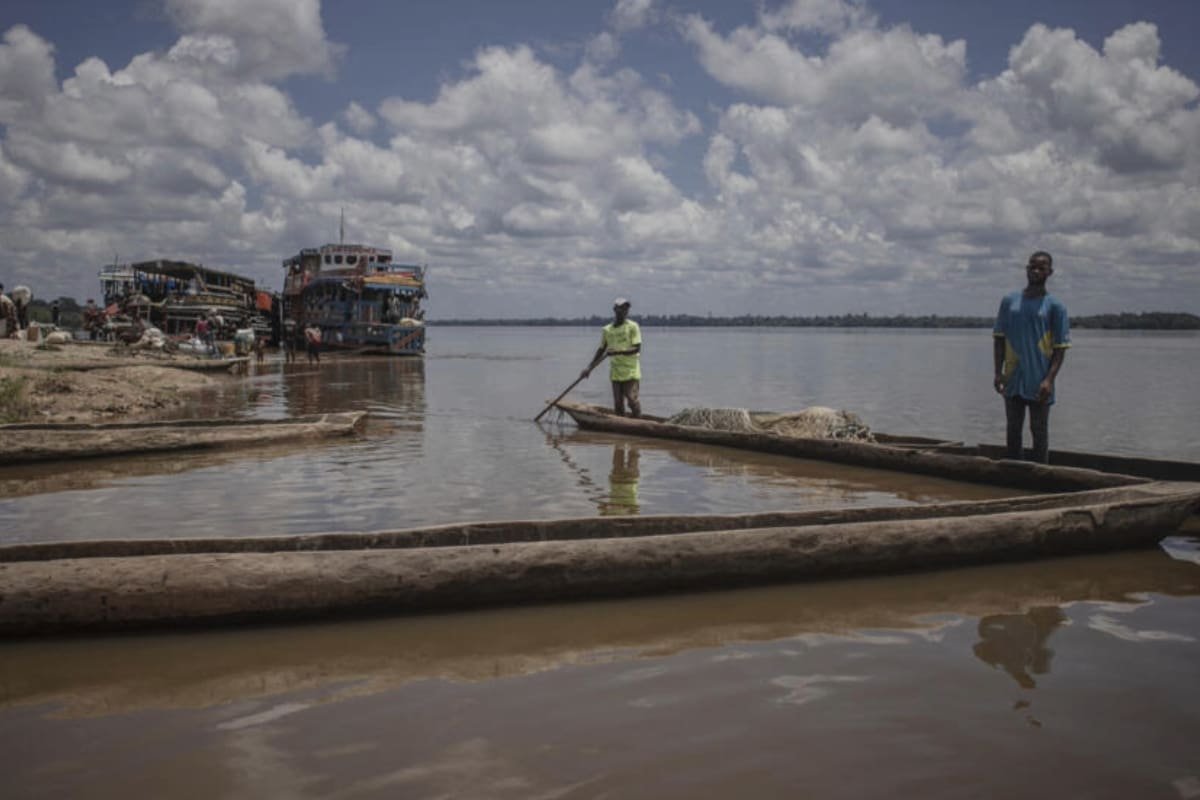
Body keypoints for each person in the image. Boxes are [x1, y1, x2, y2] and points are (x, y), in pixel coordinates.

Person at [993, 251, 1070, 463]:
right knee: (1013, 430)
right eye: (1032, 267)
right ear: (1027, 269)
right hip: (1013, 376)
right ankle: (1012, 472)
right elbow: (999, 338)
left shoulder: (1055, 306)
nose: (1035, 271)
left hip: (1039, 379)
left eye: (1041, 268)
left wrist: (1049, 380)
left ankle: (1041, 473)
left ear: (1049, 272)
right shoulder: (1009, 301)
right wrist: (998, 372)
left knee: (1039, 430)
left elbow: (1060, 348)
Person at [581, 297, 642, 417]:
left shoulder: (633, 326)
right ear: (615, 309)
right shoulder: (607, 330)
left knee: (632, 400)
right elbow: (601, 350)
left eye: (626, 309)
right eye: (621, 308)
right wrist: (589, 368)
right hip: (616, 371)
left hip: (631, 371)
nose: (624, 311)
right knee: (618, 403)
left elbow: (636, 348)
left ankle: (639, 420)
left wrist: (617, 351)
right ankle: (620, 424)